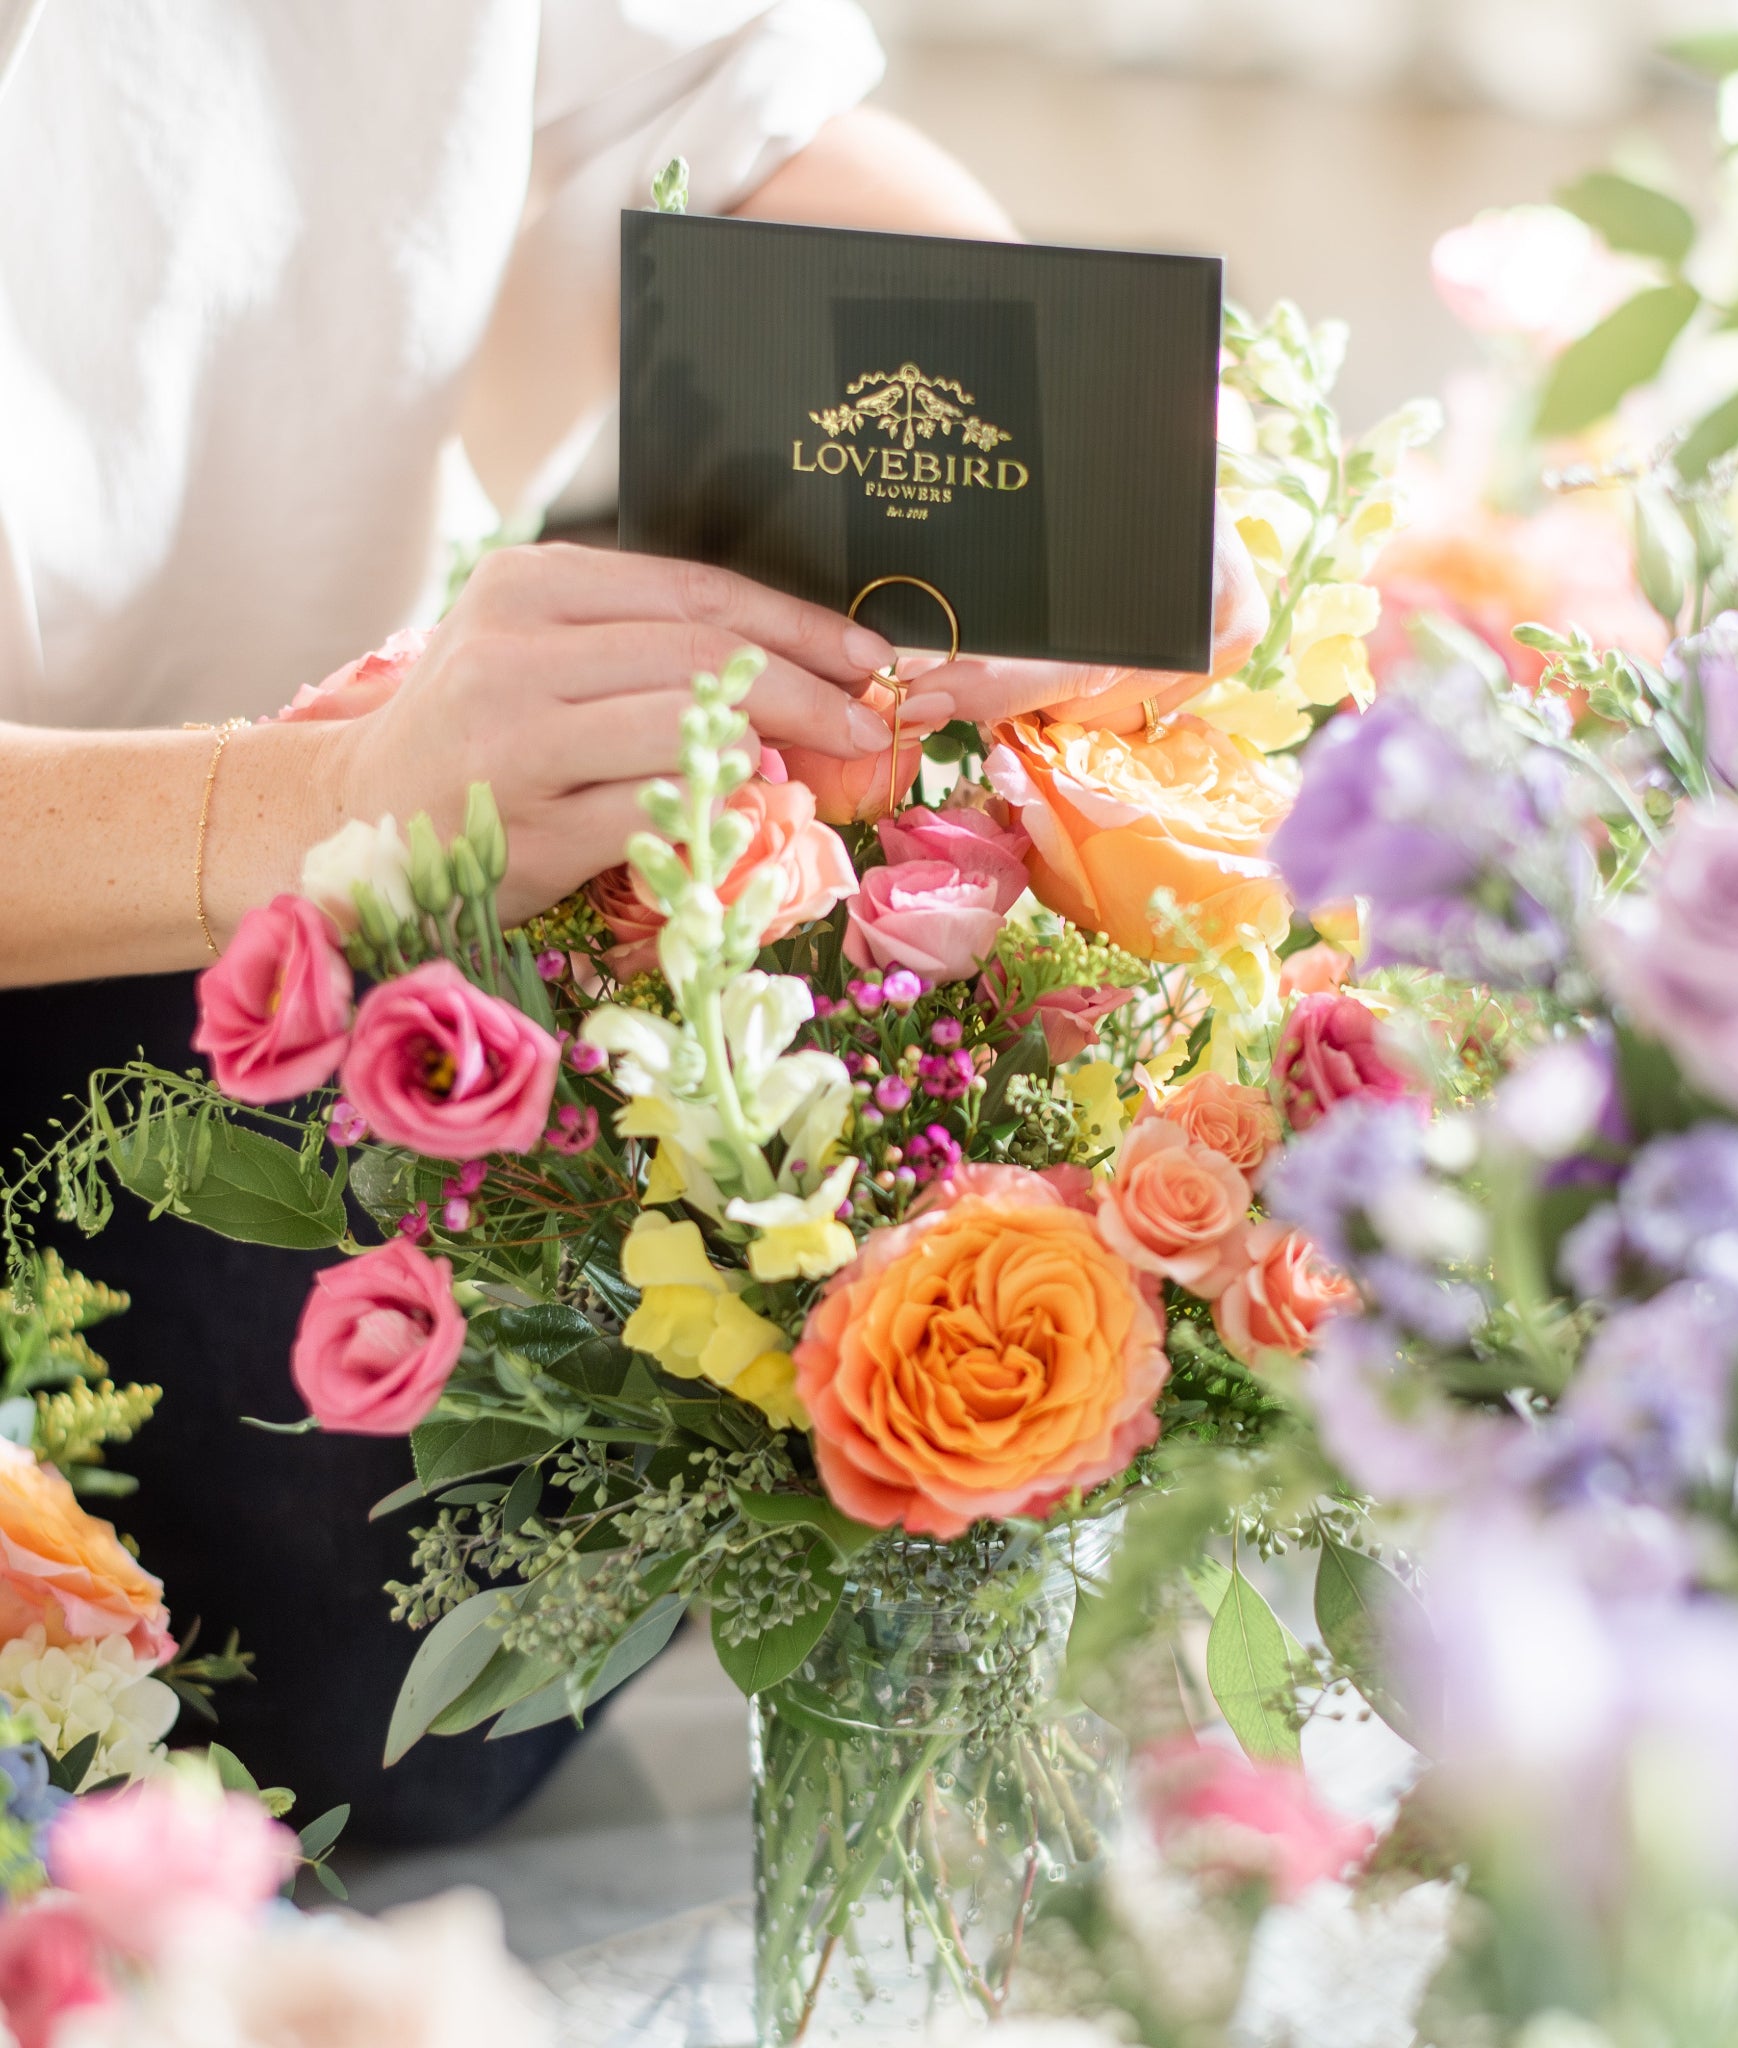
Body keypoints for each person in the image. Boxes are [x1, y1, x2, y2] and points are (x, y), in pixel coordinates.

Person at [0, 0, 1238, 1842]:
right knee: (229, 1688)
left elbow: (731, 117)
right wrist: (326, 808)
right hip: (199, 838)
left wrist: (1052, 423)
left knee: (415, 1621)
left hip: (248, 871)